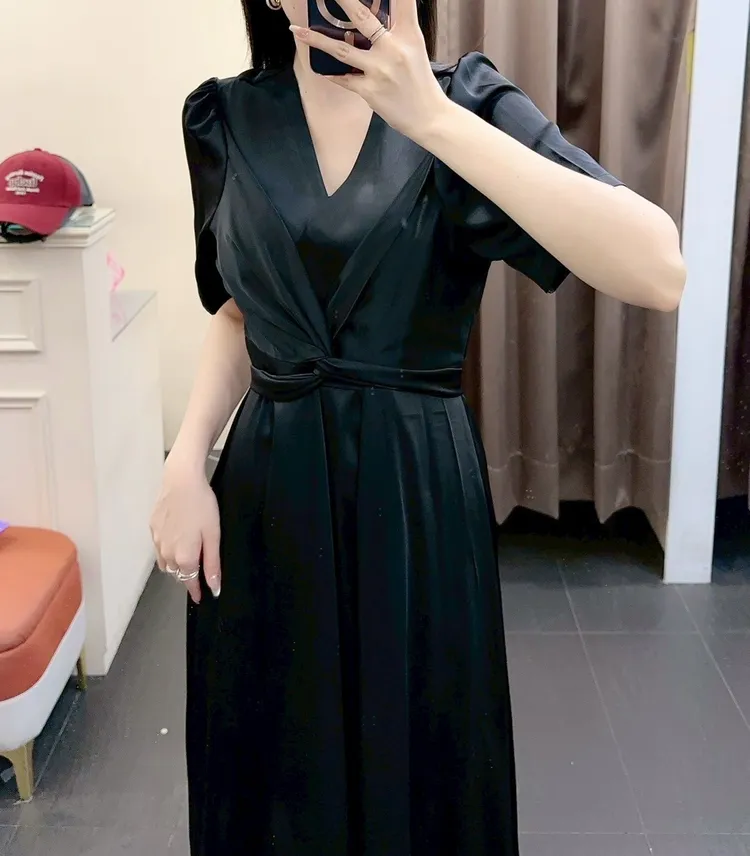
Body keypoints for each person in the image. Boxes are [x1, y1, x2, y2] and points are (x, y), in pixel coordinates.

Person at [149, 0, 686, 853]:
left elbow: (658, 267)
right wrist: (185, 461)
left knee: (422, 775)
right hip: (268, 505)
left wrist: (432, 119)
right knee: (276, 783)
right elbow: (239, 314)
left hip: (414, 507)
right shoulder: (223, 117)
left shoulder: (463, 102)